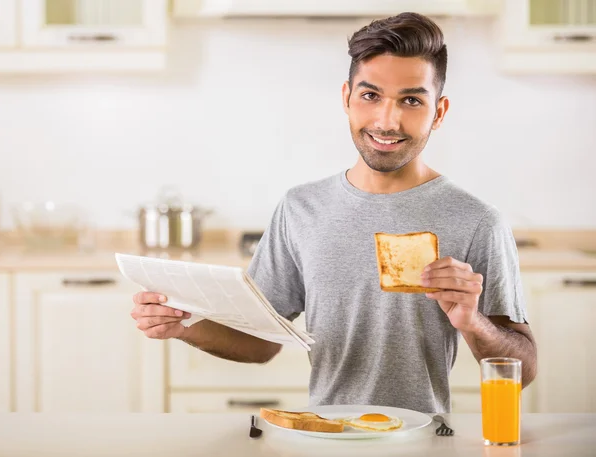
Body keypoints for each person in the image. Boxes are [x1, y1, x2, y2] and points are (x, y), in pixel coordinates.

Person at [131, 12, 537, 413]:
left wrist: (473, 322)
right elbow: (261, 343)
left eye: (411, 100)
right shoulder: (300, 209)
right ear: (347, 98)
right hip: (324, 436)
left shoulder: (477, 220)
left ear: (440, 112)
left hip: (426, 439)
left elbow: (524, 368)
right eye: (370, 95)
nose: (386, 120)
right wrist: (183, 328)